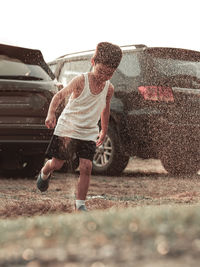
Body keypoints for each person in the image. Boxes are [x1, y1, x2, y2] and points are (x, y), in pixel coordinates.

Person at [36, 42, 122, 211]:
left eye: (109, 74)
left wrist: (104, 129)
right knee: (57, 164)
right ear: (93, 62)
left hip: (88, 131)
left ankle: (80, 205)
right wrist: (51, 114)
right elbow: (59, 96)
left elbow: (105, 109)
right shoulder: (81, 81)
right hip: (68, 127)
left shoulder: (109, 88)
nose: (103, 76)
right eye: (101, 71)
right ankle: (44, 173)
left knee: (86, 167)